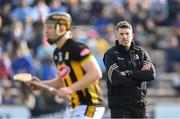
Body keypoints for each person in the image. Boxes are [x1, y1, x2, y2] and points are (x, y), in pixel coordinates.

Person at [26, 12, 105, 118]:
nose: (46, 31)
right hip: (73, 107)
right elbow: (61, 81)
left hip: (90, 105)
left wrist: (70, 89)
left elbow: (95, 73)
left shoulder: (76, 47)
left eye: (49, 27)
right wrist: (41, 84)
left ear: (62, 28)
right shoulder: (57, 53)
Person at [103, 21, 156, 118]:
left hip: (139, 104)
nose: (125, 37)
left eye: (127, 33)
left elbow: (151, 75)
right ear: (116, 36)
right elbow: (116, 79)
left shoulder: (141, 53)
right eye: (121, 34)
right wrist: (139, 76)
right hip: (119, 107)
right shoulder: (110, 54)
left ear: (132, 35)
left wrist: (128, 73)